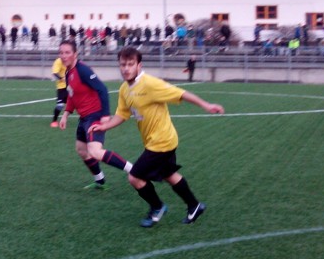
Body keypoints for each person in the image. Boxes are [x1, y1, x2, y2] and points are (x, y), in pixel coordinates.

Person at [90, 47, 224, 228]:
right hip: (160, 140)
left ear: (139, 65)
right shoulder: (124, 89)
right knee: (169, 174)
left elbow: (181, 93)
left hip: (161, 142)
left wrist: (206, 105)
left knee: (134, 177)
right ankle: (194, 206)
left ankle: (157, 207)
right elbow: (122, 114)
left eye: (131, 64)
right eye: (123, 64)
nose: (126, 68)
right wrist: (104, 126)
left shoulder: (150, 84)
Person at [57, 40, 134, 190]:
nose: (64, 55)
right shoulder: (68, 72)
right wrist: (65, 114)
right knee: (81, 149)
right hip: (84, 118)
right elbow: (72, 95)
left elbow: (102, 89)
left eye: (67, 52)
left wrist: (105, 115)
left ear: (75, 54)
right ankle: (99, 180)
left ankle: (134, 170)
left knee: (95, 151)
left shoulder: (82, 70)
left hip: (95, 116)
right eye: (61, 52)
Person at [50, 56, 67, 128]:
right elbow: (55, 73)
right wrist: (62, 78)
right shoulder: (58, 61)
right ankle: (54, 121)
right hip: (61, 87)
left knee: (79, 104)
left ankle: (87, 120)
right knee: (60, 106)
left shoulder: (73, 61)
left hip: (72, 86)